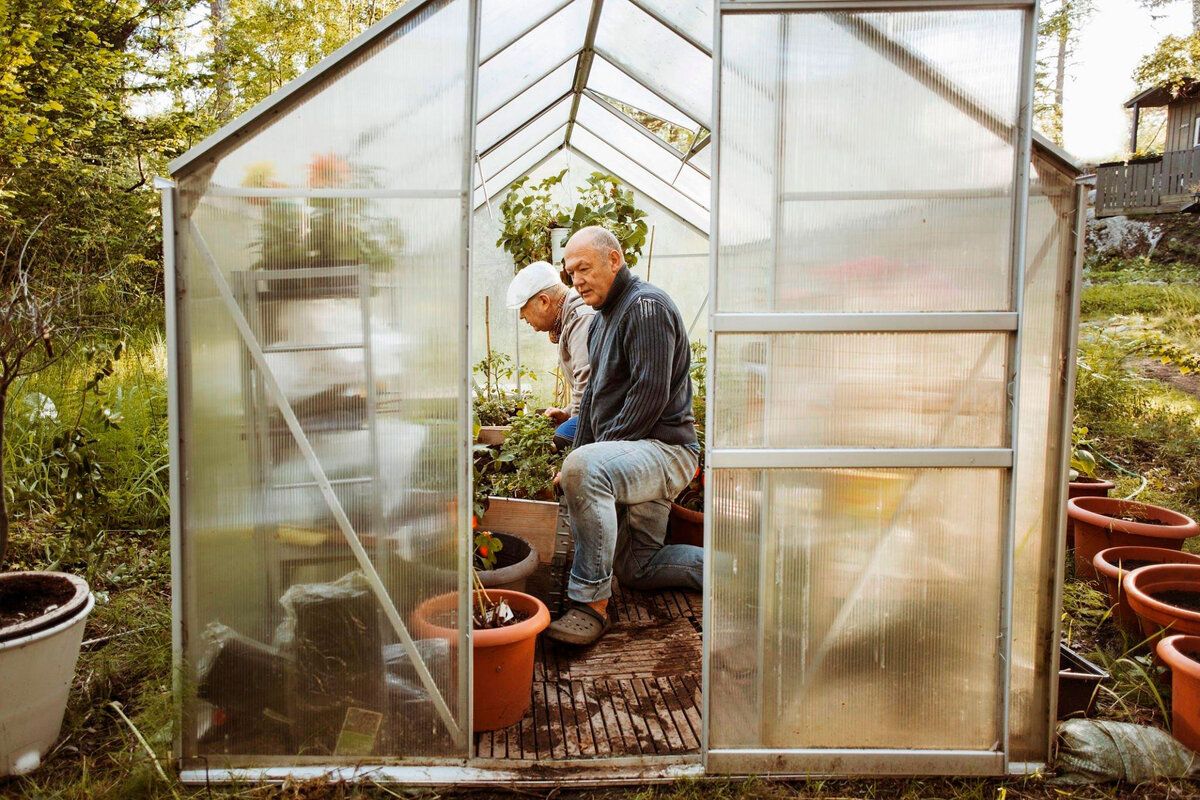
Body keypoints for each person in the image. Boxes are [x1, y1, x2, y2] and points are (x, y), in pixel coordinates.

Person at [545, 226, 700, 646]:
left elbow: (648, 397)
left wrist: (589, 460)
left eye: (584, 268)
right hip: (638, 454)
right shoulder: (599, 324)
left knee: (586, 467)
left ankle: (589, 605)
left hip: (667, 451)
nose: (576, 280)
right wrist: (576, 457)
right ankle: (738, 572)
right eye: (570, 272)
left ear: (614, 260)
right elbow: (593, 403)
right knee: (639, 568)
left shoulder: (646, 308)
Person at [506, 261, 595, 449]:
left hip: (611, 417)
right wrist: (567, 413)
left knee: (559, 440)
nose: (521, 316)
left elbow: (587, 386)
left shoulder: (581, 319)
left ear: (544, 301)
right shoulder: (571, 317)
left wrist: (576, 443)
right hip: (599, 411)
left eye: (523, 308)